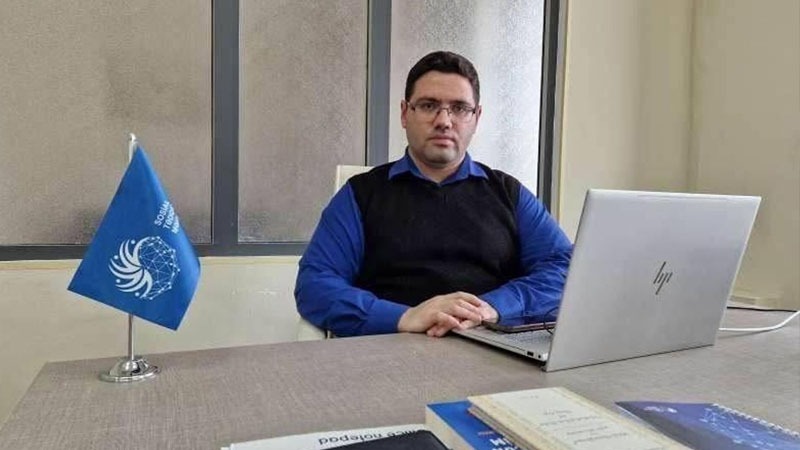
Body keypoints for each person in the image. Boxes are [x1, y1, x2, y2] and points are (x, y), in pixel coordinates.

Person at [295, 51, 572, 337]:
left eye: (459, 108)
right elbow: (315, 284)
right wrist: (404, 317)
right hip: (390, 347)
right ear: (405, 113)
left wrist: (491, 307)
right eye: (429, 106)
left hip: (492, 347)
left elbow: (565, 270)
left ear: (476, 117)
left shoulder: (509, 194)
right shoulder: (360, 194)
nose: (444, 121)